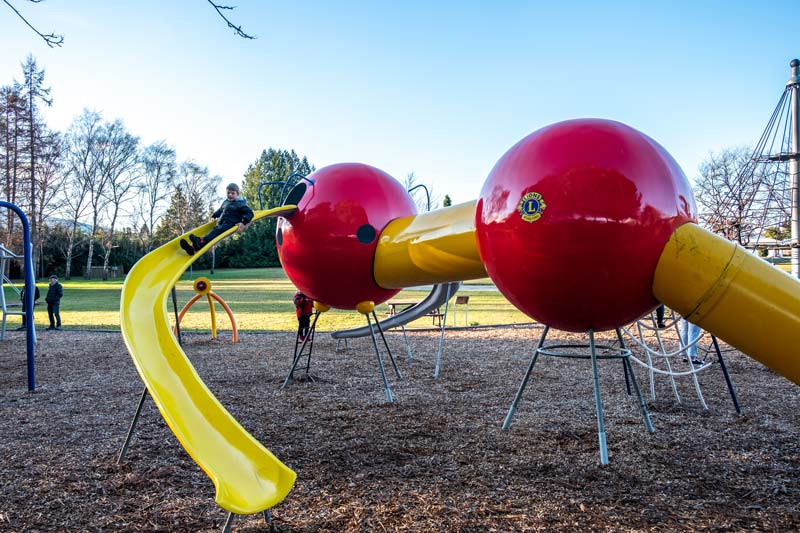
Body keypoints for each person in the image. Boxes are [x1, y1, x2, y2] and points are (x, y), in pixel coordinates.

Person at [180, 182, 254, 256]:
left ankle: (200, 240)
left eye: (232, 193)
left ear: (237, 194)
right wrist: (214, 216)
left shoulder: (240, 204)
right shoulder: (225, 203)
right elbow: (220, 211)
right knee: (213, 233)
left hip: (230, 224)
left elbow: (250, 213)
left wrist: (243, 222)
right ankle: (193, 248)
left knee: (216, 231)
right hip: (222, 224)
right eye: (228, 193)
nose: (230, 195)